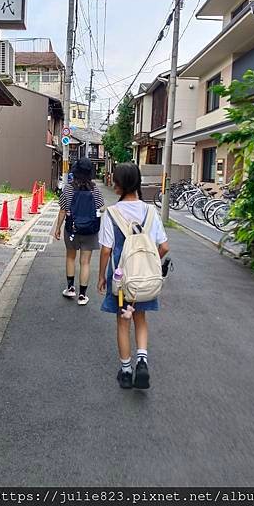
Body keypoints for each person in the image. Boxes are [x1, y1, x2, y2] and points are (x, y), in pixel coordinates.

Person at [97, 162, 169, 390]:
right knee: (140, 319)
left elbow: (107, 250)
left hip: (121, 282)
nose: (114, 184)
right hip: (145, 281)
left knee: (122, 321)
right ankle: (142, 361)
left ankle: (126, 372)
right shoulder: (150, 212)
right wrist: (150, 264)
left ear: (120, 184)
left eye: (115, 180)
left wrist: (101, 277)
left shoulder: (112, 213)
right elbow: (165, 247)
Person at [54, 157, 105, 306]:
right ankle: (82, 296)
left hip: (72, 229)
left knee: (70, 257)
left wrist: (58, 228)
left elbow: (63, 210)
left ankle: (70, 288)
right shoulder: (95, 189)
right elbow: (101, 208)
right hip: (90, 230)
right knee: (85, 262)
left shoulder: (68, 189)